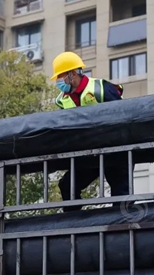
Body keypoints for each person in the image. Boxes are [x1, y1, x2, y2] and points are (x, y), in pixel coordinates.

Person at [50, 52, 128, 212]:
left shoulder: (101, 88)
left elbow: (123, 116)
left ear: (72, 74)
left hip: (115, 150)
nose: (58, 81)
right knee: (67, 185)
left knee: (120, 195)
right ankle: (76, 226)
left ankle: (123, 231)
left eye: (61, 76)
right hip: (89, 153)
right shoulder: (62, 99)